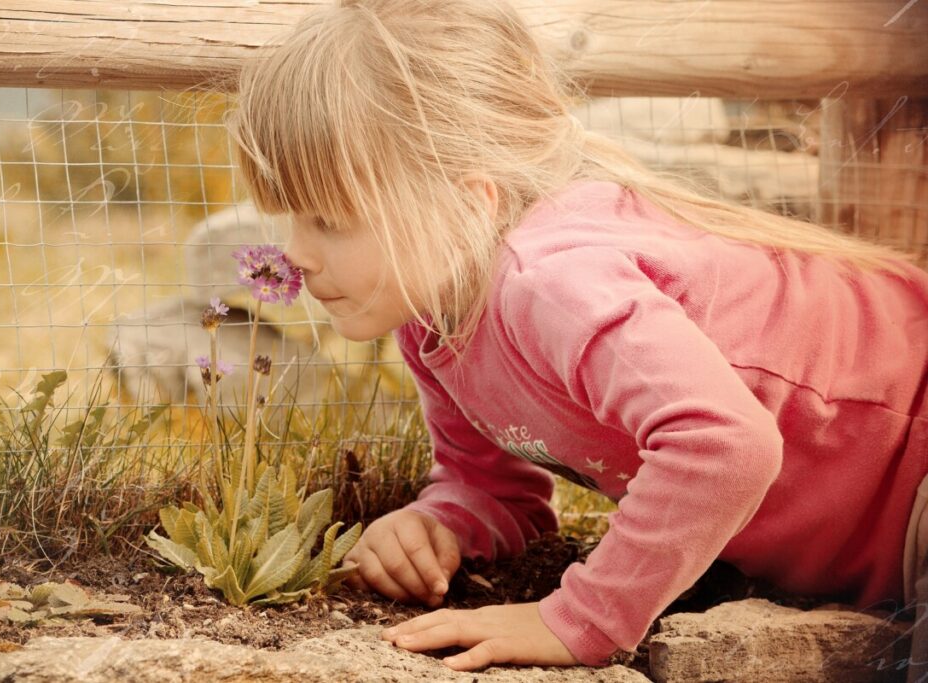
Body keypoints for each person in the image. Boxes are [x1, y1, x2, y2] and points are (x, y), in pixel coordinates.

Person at [225, 0, 928, 676]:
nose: (297, 254)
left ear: (471, 201)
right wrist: (442, 521)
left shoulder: (552, 282)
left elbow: (725, 442)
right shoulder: (433, 320)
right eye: (290, 218)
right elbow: (497, 489)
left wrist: (579, 617)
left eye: (329, 220)